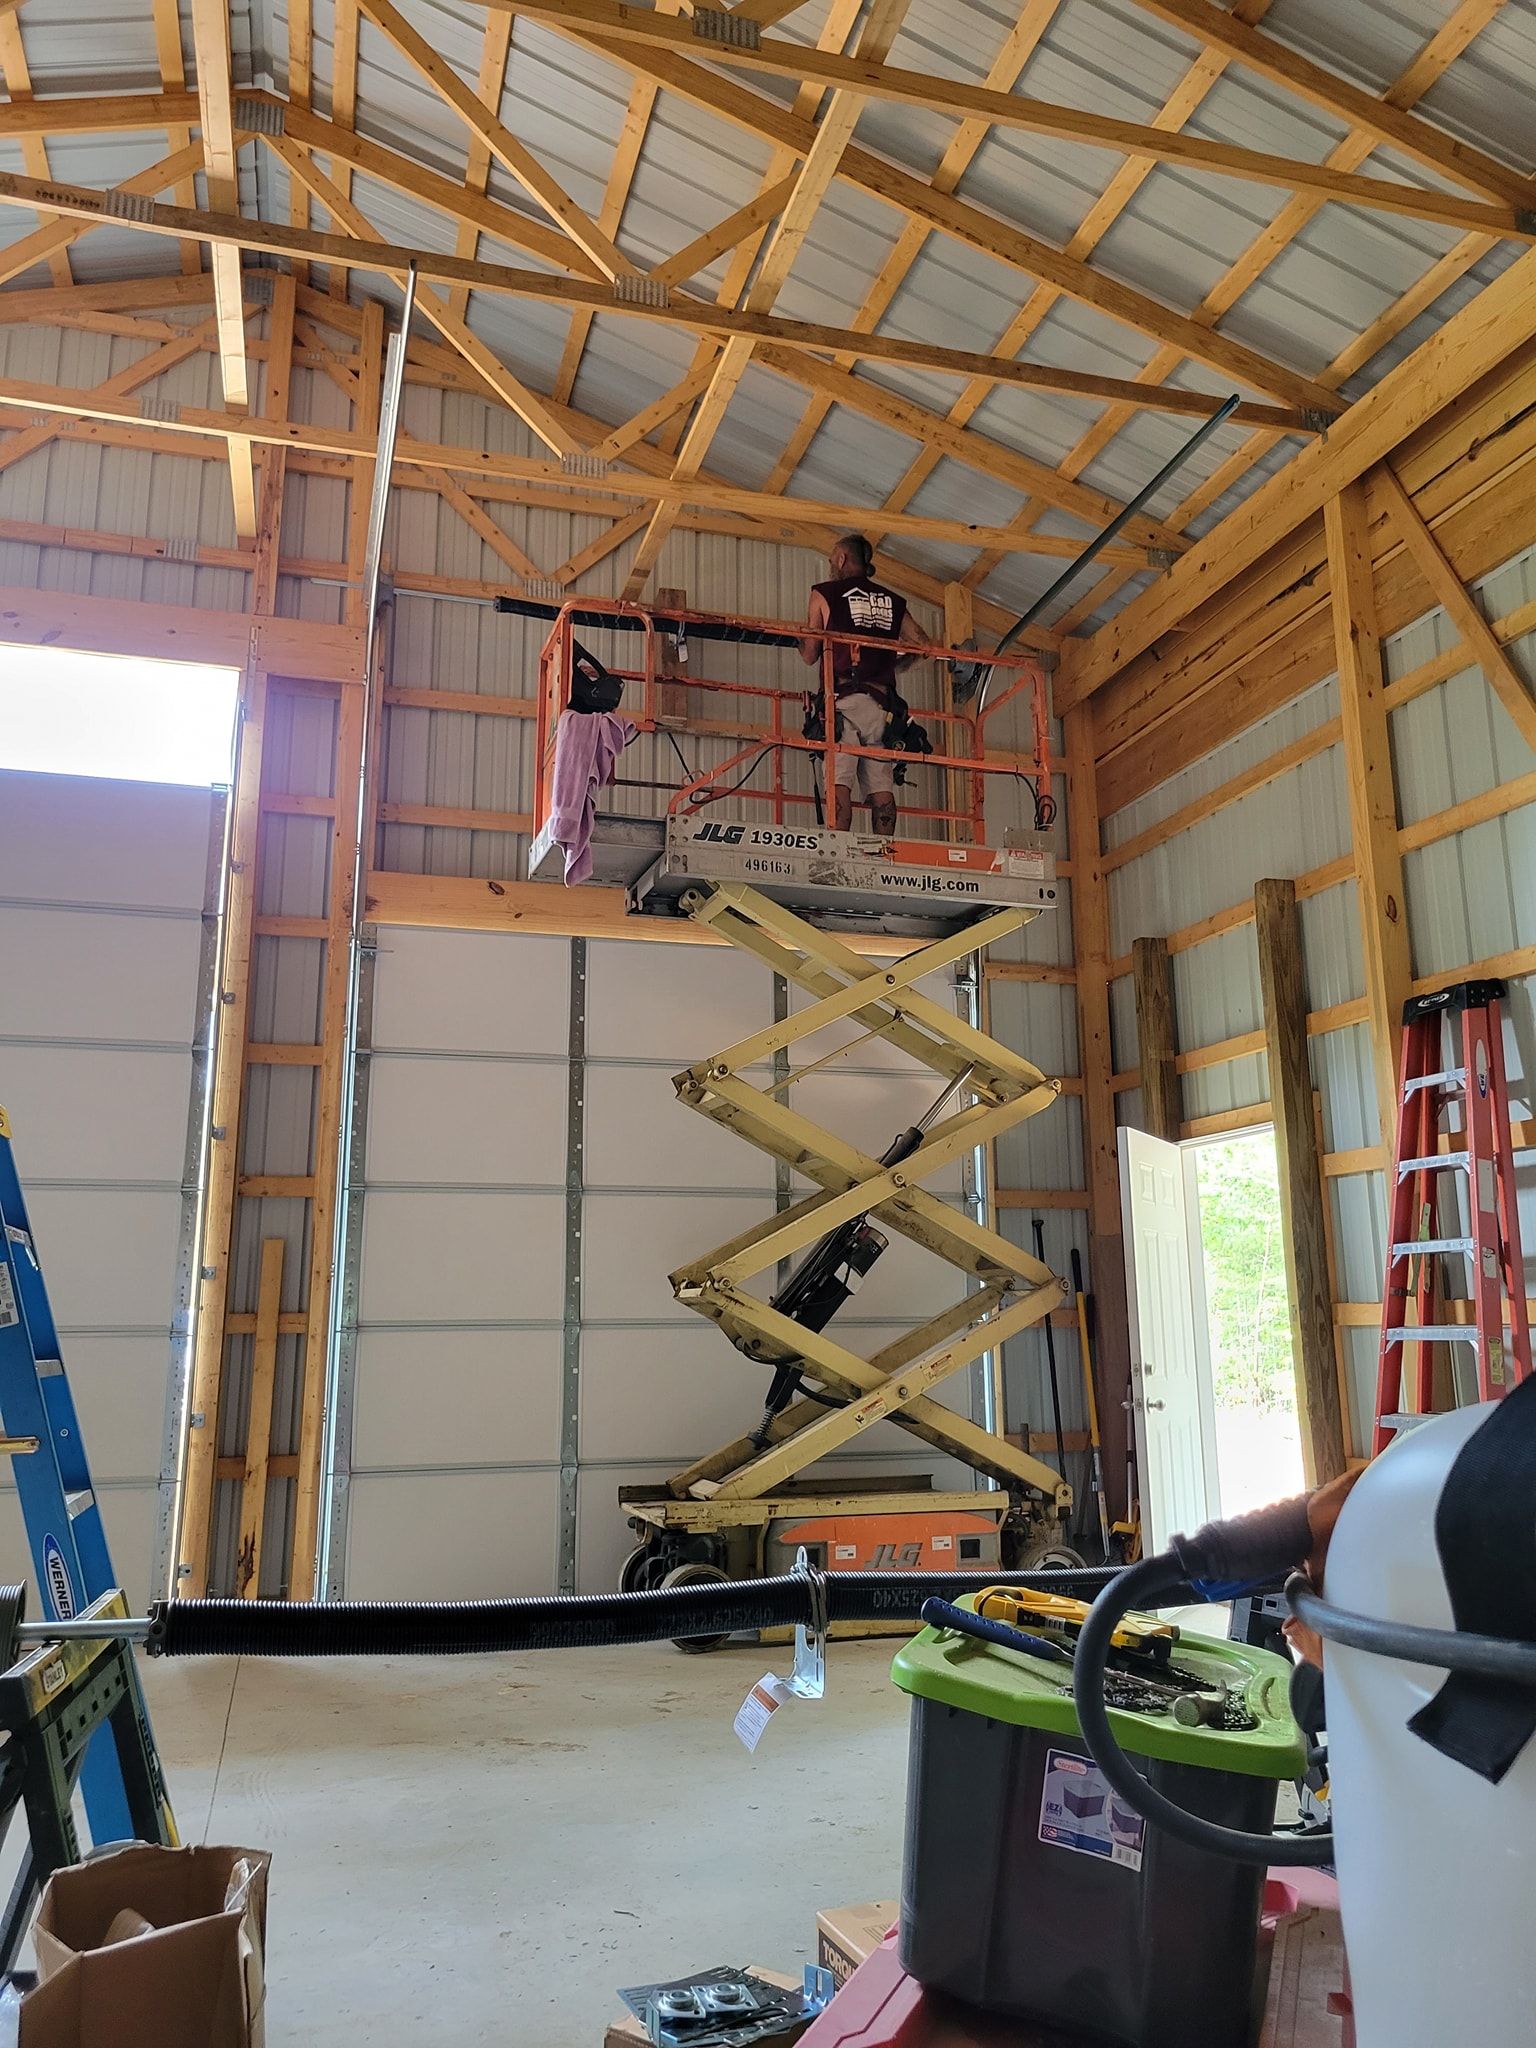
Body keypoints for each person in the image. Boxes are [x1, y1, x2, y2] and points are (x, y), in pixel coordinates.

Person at [800, 534, 925, 836]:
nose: (831, 564)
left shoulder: (824, 593)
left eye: (832, 559)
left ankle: (838, 845)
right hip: (883, 704)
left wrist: (801, 637)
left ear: (841, 559)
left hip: (843, 699)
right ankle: (884, 849)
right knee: (880, 778)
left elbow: (809, 654)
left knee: (839, 773)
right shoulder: (893, 601)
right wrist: (893, 665)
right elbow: (922, 643)